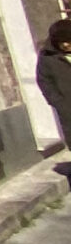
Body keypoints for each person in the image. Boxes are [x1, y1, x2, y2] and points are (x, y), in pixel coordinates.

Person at [42, 19, 71, 152]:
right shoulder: (47, 57)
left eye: (68, 40)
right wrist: (59, 102)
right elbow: (44, 81)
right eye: (61, 41)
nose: (65, 44)